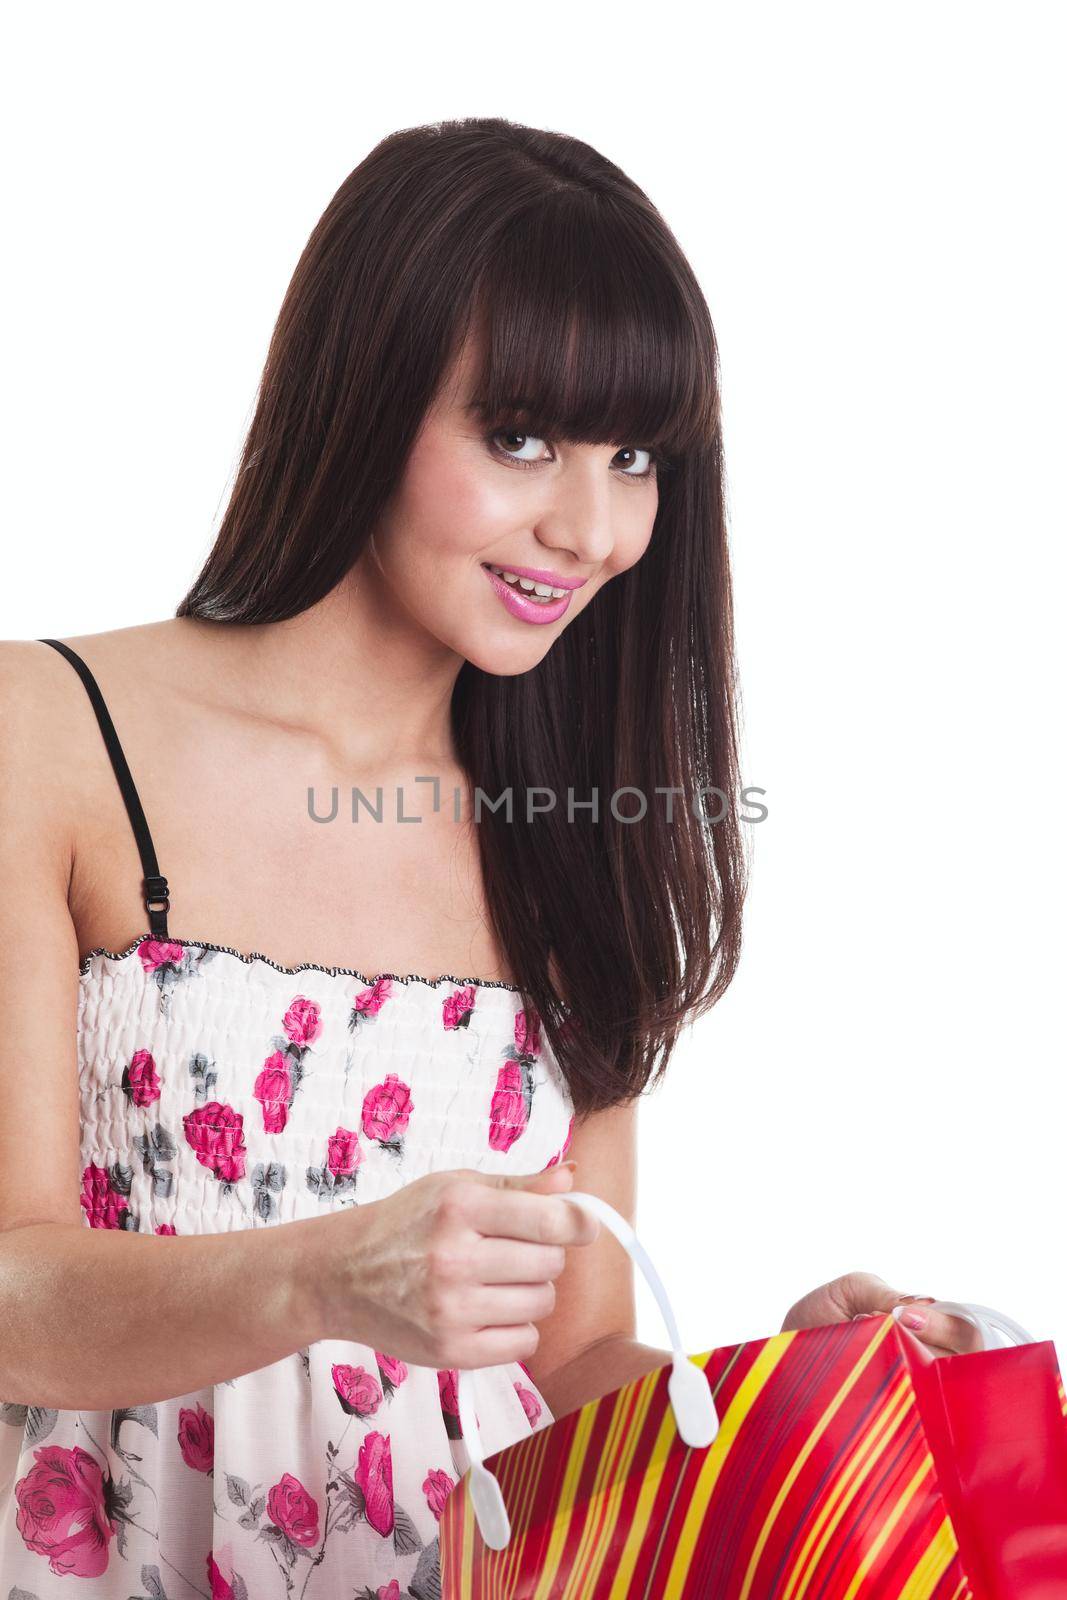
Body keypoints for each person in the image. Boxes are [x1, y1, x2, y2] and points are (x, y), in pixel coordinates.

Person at [0, 117, 979, 1597]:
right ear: (367, 394)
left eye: (634, 455)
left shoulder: (580, 835)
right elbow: (14, 1288)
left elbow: (572, 1354)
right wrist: (323, 1276)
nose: (589, 527)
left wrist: (789, 1402)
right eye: (520, 437)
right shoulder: (49, 736)